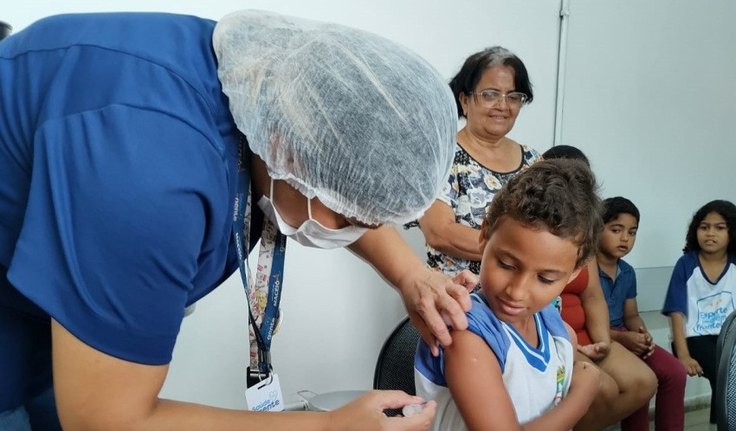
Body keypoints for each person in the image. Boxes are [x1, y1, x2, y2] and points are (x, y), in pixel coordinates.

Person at [0, 10, 476, 431]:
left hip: (52, 309)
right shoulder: (149, 177)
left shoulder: (268, 89)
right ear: (290, 149)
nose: (363, 229)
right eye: (354, 215)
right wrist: (326, 428)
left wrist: (412, 275)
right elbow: (107, 417)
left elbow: (342, 169)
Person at [414, 158, 603, 430]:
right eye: (506, 264)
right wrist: (583, 395)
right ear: (485, 236)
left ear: (574, 272)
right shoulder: (467, 335)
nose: (517, 291)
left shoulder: (556, 331)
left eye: (545, 278)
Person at [542, 146, 656, 431]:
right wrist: (575, 346)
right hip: (557, 337)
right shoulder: (534, 228)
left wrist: (603, 340)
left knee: (644, 382)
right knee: (601, 388)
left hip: (588, 335)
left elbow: (593, 295)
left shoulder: (585, 232)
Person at [415, 46, 542, 277]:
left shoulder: (534, 162)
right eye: (490, 94)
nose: (503, 106)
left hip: (524, 299)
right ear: (465, 100)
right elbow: (440, 233)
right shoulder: (440, 155)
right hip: (459, 302)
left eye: (513, 97)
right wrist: (522, 251)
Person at [597, 197, 687, 431]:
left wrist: (641, 334)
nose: (625, 238)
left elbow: (631, 316)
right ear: (596, 229)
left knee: (675, 371)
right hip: (598, 338)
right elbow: (585, 324)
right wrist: (623, 339)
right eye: (616, 230)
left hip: (625, 335)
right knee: (640, 377)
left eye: (632, 232)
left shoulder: (627, 272)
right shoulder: (584, 269)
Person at [663, 199, 736, 425]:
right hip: (694, 338)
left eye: (719, 227)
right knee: (725, 374)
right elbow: (677, 312)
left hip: (730, 337)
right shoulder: (686, 264)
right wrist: (683, 355)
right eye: (704, 227)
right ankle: (725, 423)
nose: (710, 233)